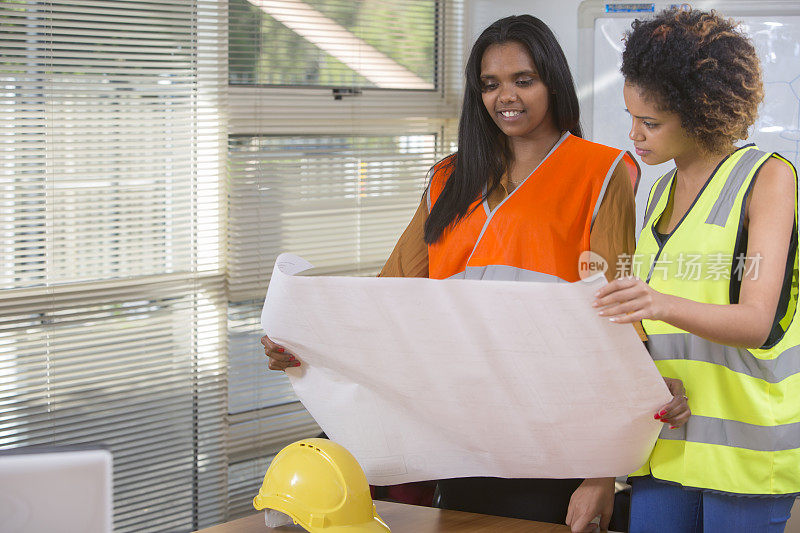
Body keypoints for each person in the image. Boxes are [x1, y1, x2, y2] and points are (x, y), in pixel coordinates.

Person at [264, 14, 687, 532]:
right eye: (491, 84)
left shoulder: (603, 172)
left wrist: (600, 475)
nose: (505, 96)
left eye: (522, 80)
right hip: (457, 428)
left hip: (554, 430)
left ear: (551, 81)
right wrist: (305, 342)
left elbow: (618, 323)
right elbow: (383, 301)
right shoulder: (448, 177)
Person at [594, 8, 799, 532]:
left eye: (651, 122)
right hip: (668, 436)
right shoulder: (658, 191)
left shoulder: (768, 178)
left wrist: (655, 303)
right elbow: (663, 330)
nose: (634, 134)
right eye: (631, 117)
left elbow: (756, 322)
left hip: (743, 449)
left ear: (701, 112)